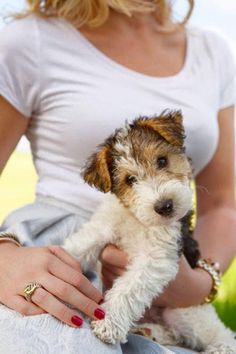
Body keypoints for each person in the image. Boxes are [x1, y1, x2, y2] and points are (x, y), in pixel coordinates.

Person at [0, 0, 235, 353]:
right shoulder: (28, 39)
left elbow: (223, 203)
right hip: (52, 255)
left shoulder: (212, 51)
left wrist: (202, 282)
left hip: (168, 263)